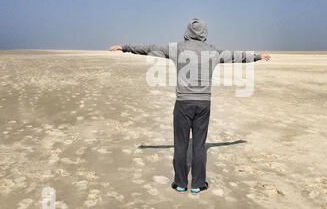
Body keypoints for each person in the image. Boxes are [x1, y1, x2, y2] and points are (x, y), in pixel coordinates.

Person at [109, 18, 271, 194]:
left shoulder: (177, 48)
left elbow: (149, 49)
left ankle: (179, 183)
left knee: (180, 144)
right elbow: (236, 56)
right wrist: (257, 56)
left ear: (187, 33)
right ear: (204, 34)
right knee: (199, 146)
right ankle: (198, 184)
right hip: (203, 104)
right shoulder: (213, 51)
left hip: (183, 103)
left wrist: (124, 47)